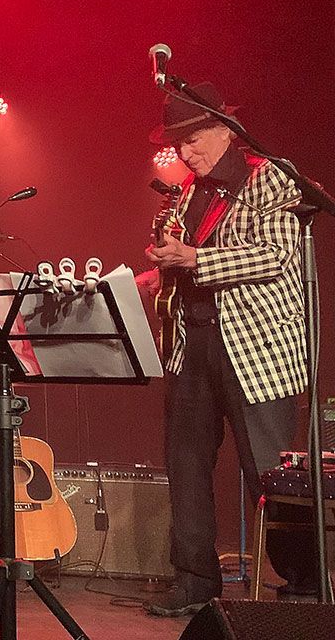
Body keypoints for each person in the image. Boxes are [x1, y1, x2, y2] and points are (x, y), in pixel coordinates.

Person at [136, 82, 315, 616]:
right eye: (180, 144)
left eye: (192, 140)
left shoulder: (271, 177)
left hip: (258, 348)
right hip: (193, 344)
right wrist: (154, 274)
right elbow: (185, 257)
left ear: (225, 128)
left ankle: (303, 579)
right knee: (186, 464)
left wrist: (193, 261)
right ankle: (194, 580)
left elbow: (277, 255)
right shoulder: (191, 192)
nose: (185, 153)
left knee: (271, 470)